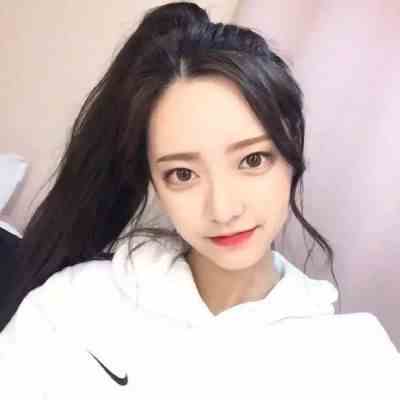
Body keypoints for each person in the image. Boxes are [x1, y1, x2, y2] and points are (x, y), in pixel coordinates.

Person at [0, 2, 398, 399]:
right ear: (153, 181)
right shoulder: (76, 304)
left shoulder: (357, 360)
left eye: (252, 160)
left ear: (291, 150)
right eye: (183, 174)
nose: (223, 210)